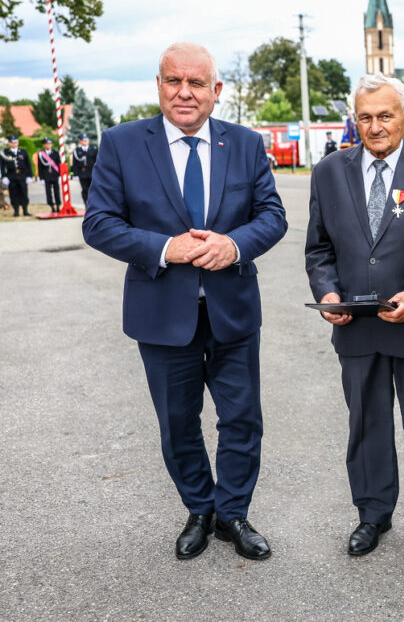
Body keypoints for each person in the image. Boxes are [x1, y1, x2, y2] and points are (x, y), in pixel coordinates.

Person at [82, 42, 287, 562]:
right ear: (158, 86)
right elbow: (99, 223)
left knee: (242, 420)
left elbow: (272, 214)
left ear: (216, 92)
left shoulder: (244, 144)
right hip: (161, 314)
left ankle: (233, 514)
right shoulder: (122, 143)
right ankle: (200, 508)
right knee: (178, 423)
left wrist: (233, 244)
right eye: (174, 81)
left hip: (233, 309)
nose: (185, 93)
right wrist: (164, 248)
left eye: (197, 83)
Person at [305, 73, 404, 562]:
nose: (374, 126)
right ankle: (373, 514)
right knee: (366, 424)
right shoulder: (329, 171)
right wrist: (326, 292)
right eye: (365, 116)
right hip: (356, 327)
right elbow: (319, 248)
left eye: (385, 115)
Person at [0, 136, 32, 216]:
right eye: (12, 142)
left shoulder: (23, 152)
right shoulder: (5, 152)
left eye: (15, 142)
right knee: (13, 194)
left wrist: (29, 176)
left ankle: (25, 210)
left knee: (24, 193)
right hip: (11, 176)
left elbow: (28, 165)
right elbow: (2, 166)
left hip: (22, 176)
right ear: (9, 143)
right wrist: (4, 176)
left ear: (18, 143)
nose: (14, 144)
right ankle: (16, 211)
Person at [35, 137, 61, 213]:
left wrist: (60, 176)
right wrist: (41, 178)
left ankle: (58, 205)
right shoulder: (41, 154)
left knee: (57, 191)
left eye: (49, 144)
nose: (48, 145)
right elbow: (40, 166)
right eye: (46, 144)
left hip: (55, 175)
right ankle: (51, 206)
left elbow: (59, 164)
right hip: (46, 176)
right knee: (48, 192)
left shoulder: (56, 153)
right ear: (44, 145)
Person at [71, 133, 98, 205]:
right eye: (83, 140)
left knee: (93, 189)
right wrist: (75, 174)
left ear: (88, 141)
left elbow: (98, 161)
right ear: (80, 141)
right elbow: (75, 163)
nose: (85, 142)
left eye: (86, 140)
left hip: (92, 173)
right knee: (84, 189)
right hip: (82, 173)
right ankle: (86, 204)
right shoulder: (77, 151)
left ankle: (94, 204)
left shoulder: (94, 149)